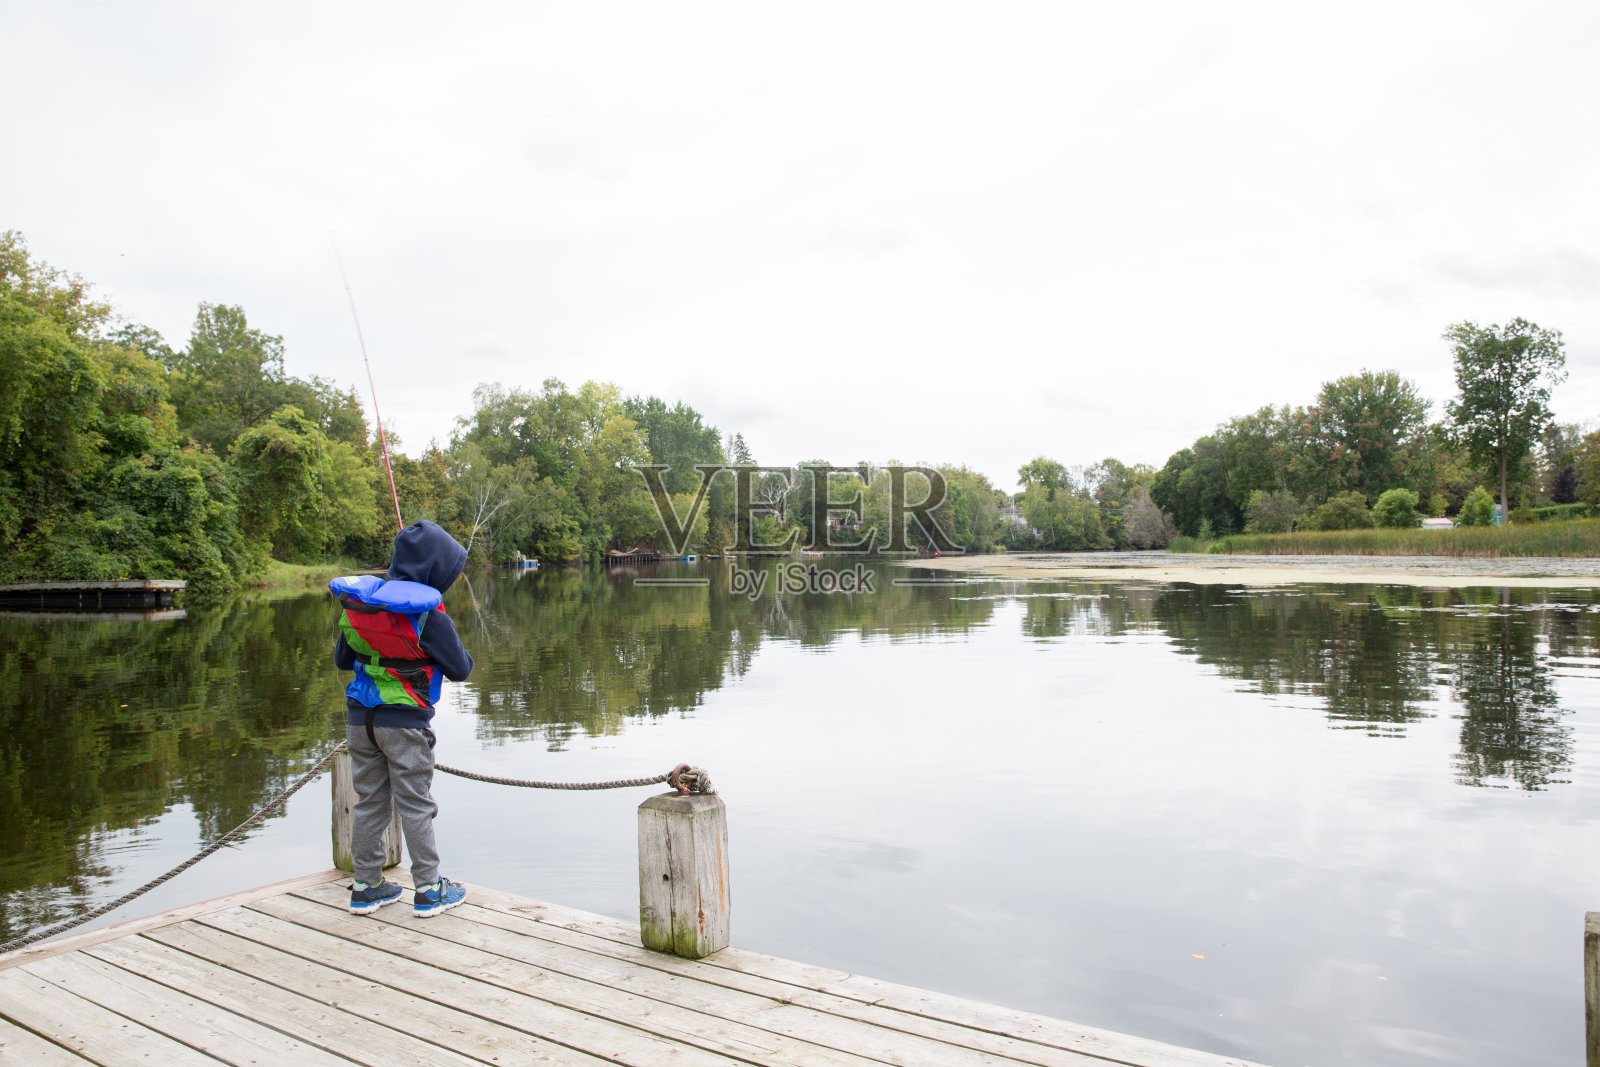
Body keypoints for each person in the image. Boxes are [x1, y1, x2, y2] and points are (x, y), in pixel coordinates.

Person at [330, 520, 474, 917]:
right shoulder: (429, 616)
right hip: (405, 725)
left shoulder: (362, 604)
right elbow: (461, 669)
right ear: (437, 572)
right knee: (415, 803)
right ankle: (428, 888)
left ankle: (366, 885)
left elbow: (342, 659)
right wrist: (437, 626)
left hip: (360, 721)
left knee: (370, 801)